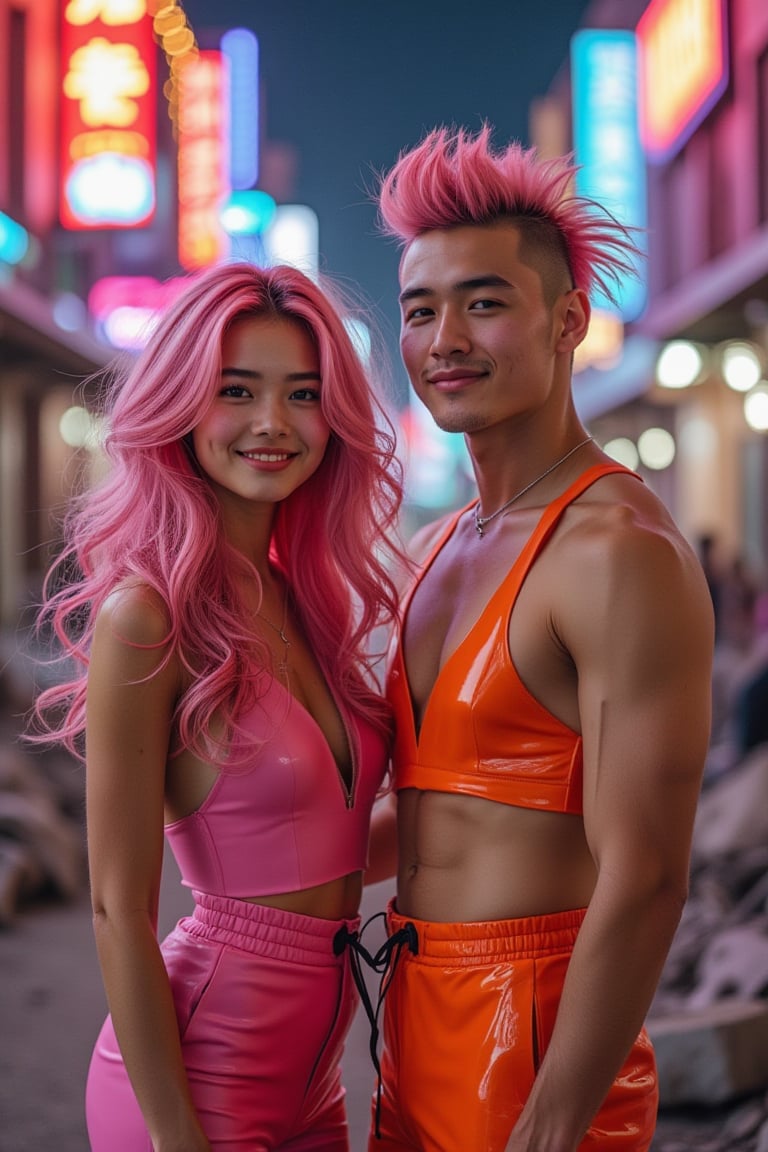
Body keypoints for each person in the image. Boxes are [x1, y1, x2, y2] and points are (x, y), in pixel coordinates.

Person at [363, 126, 715, 1152]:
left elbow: (647, 873)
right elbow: (437, 796)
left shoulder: (616, 550)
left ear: (568, 321)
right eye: (420, 310)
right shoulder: (434, 548)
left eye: (484, 302)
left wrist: (552, 1125)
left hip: (537, 1044)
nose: (444, 340)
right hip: (410, 1021)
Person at [32, 261, 405, 1151]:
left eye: (303, 394)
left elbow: (339, 843)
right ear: (182, 406)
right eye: (236, 390)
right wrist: (175, 1136)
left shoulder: (309, 605)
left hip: (318, 1081)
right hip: (194, 1082)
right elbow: (119, 907)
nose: (273, 424)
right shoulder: (148, 616)